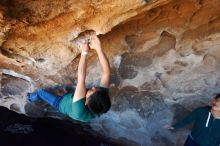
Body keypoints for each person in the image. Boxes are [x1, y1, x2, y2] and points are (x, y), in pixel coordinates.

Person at [27, 34, 111, 122]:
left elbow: (81, 78)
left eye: (91, 91)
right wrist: (98, 48)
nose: (93, 88)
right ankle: (69, 95)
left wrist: (84, 52)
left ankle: (29, 98)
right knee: (80, 92)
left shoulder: (79, 110)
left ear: (86, 102)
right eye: (96, 89)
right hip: (71, 99)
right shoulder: (100, 98)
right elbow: (106, 73)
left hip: (60, 103)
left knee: (41, 92)